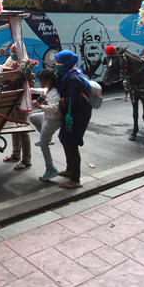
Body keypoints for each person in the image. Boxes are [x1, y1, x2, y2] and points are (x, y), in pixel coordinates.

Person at [54, 50, 92, 189]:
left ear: (67, 63)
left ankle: (75, 179)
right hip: (70, 113)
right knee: (64, 139)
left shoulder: (74, 79)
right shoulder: (66, 75)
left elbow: (73, 101)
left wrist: (56, 101)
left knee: (72, 144)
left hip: (77, 114)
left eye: (59, 62)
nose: (57, 65)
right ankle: (70, 169)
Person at [1, 44, 33, 171]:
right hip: (11, 98)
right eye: (11, 51)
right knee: (14, 127)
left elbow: (26, 80)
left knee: (23, 129)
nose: (12, 53)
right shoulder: (10, 60)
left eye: (15, 51)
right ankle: (16, 153)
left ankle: (27, 160)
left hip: (21, 99)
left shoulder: (25, 64)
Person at [29, 68, 61, 182]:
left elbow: (54, 108)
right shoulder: (48, 89)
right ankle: (49, 137)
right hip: (46, 116)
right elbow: (42, 90)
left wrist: (39, 106)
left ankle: (51, 169)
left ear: (48, 81)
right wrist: (31, 90)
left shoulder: (54, 93)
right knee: (33, 117)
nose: (41, 83)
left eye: (42, 81)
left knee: (43, 144)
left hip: (52, 119)